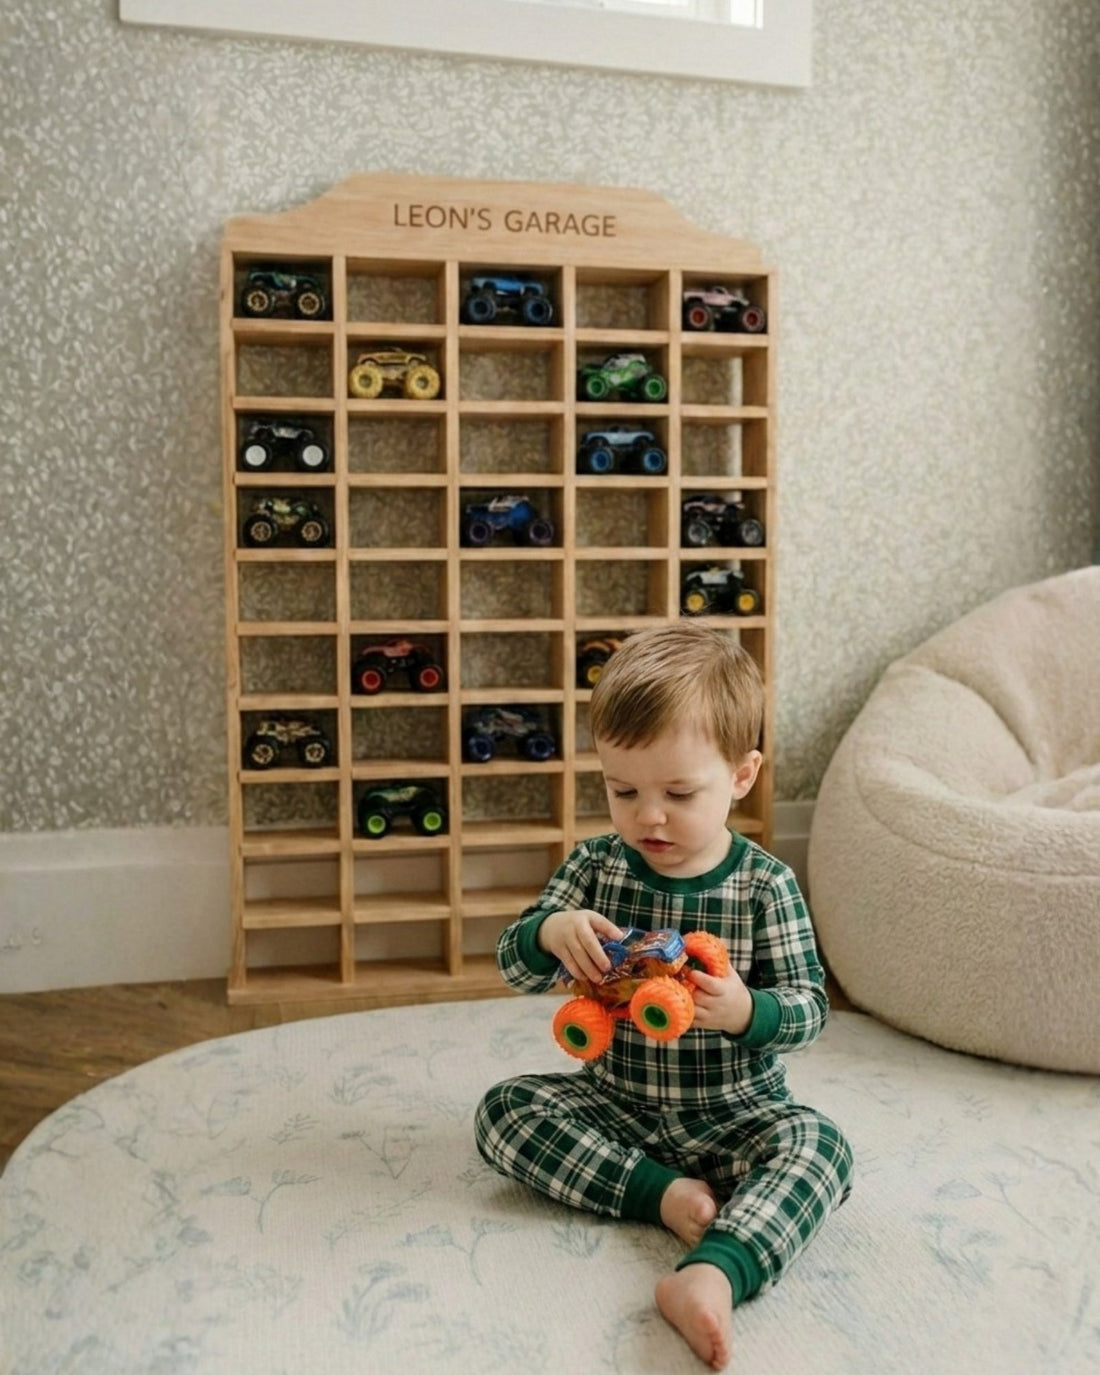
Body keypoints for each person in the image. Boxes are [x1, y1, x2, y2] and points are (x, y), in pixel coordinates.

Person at [474, 622, 852, 1370]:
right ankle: (662, 1195)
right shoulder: (594, 867)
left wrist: (749, 1010)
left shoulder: (763, 884)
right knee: (502, 1112)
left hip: (737, 1113)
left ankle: (713, 1270)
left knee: (822, 1149)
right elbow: (510, 965)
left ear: (742, 776)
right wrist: (551, 932)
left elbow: (810, 1008)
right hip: (615, 1106)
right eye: (623, 790)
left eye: (679, 792)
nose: (649, 814)